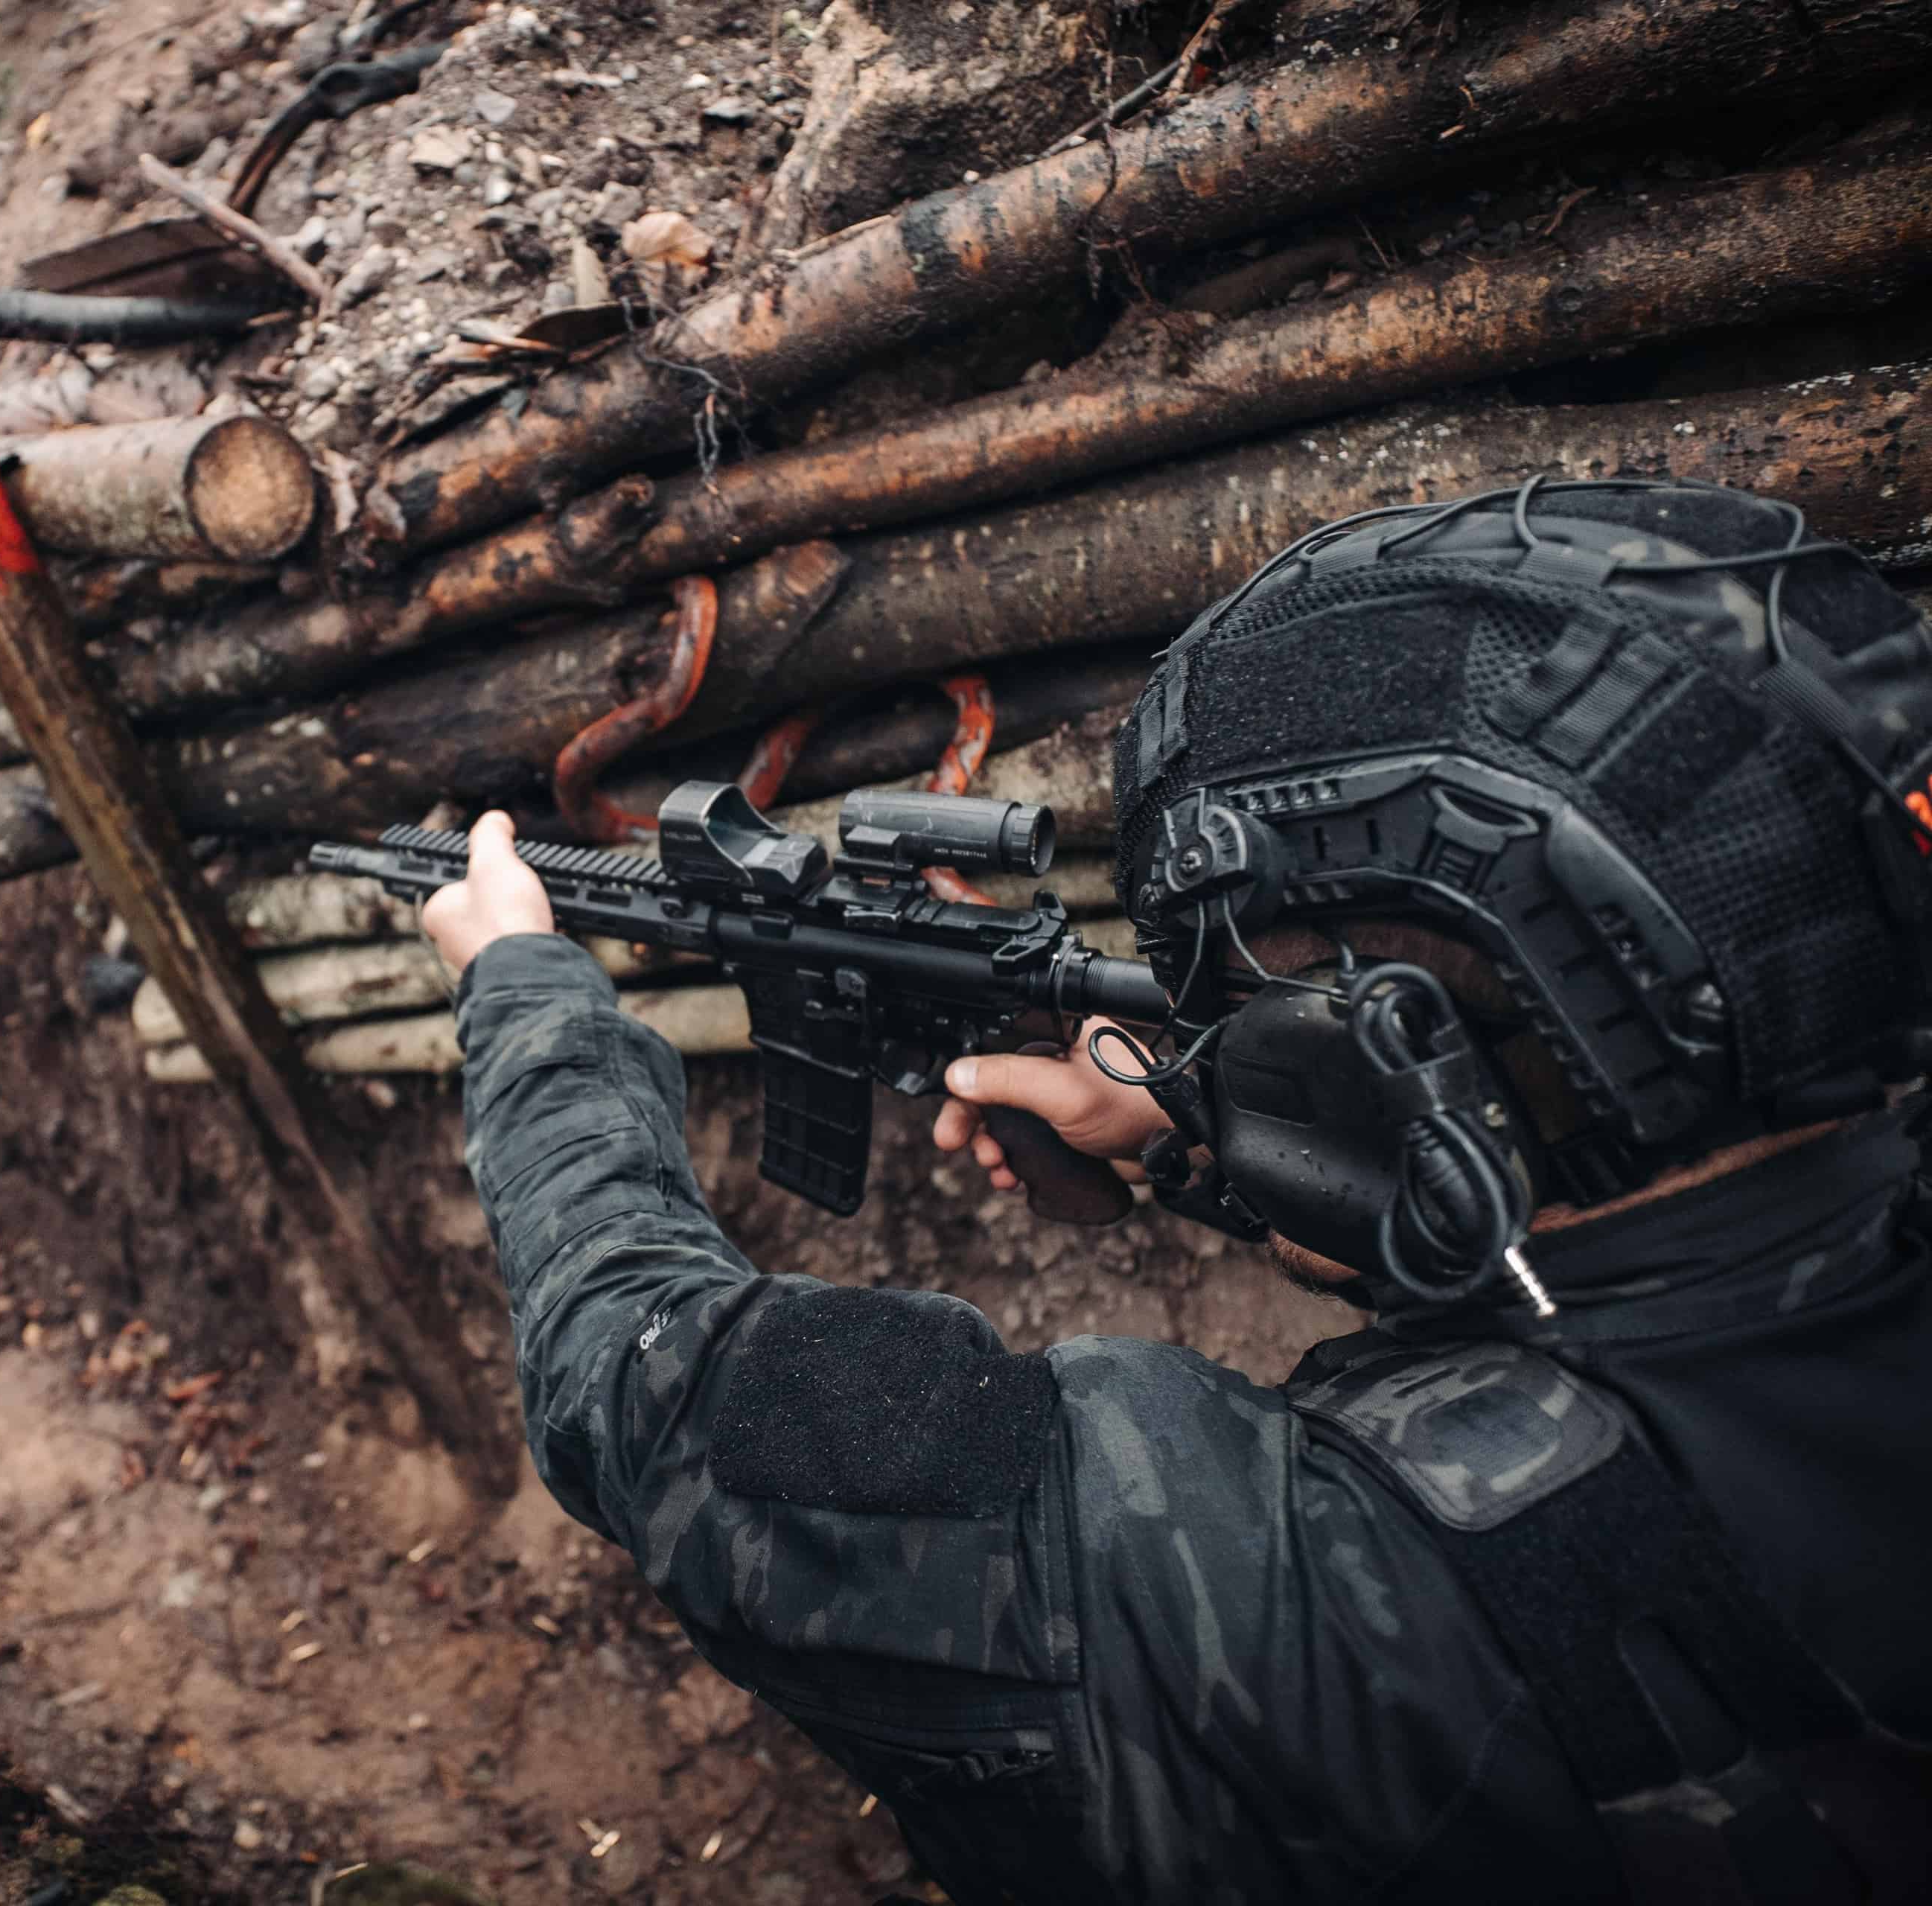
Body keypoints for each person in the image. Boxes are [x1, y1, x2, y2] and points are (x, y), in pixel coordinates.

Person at [417, 479, 1932, 1902]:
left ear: (1379, 1072)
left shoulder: (1319, 1607)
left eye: (1246, 1013)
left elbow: (645, 1391)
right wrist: (1215, 1132)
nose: (1211, 1039)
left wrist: (527, 990)